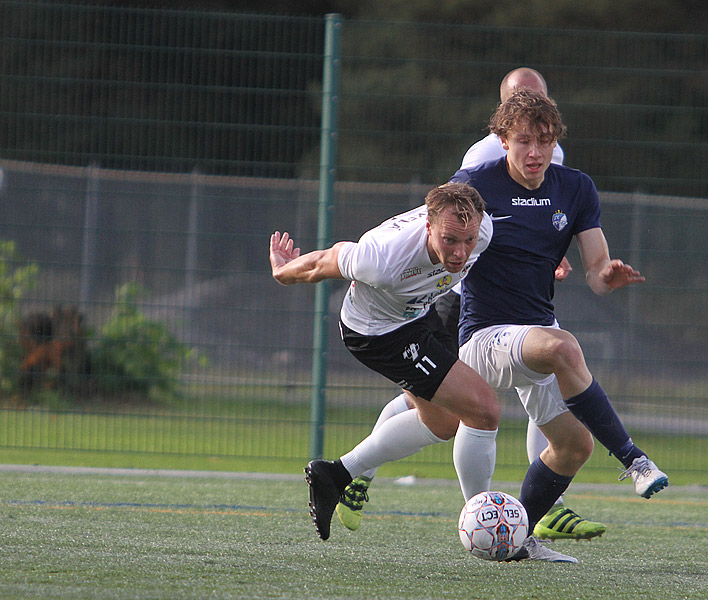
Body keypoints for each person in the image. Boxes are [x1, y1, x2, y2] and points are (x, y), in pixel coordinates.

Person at [336, 68, 607, 543]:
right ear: (502, 122)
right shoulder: (484, 158)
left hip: (520, 304)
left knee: (542, 388)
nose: (532, 113)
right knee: (433, 401)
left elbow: (543, 218)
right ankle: (363, 473)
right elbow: (453, 221)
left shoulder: (551, 152)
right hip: (463, 302)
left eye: (539, 99)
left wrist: (549, 254)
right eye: (520, 101)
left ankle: (548, 505)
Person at [451, 90, 669, 549]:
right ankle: (634, 459)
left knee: (574, 447)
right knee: (562, 346)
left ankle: (514, 538)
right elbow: (441, 241)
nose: (536, 153)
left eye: (546, 141)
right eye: (525, 141)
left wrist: (607, 275)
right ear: (502, 139)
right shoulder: (474, 185)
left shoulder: (576, 187)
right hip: (483, 337)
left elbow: (595, 270)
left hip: (535, 335)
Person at [270, 183, 501, 543]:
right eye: (450, 240)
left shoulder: (482, 231)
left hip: (417, 316)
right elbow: (320, 263)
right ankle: (485, 522)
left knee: (444, 423)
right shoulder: (381, 259)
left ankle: (337, 474)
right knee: (483, 409)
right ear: (428, 226)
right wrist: (282, 272)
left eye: (468, 240)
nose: (460, 253)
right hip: (376, 334)